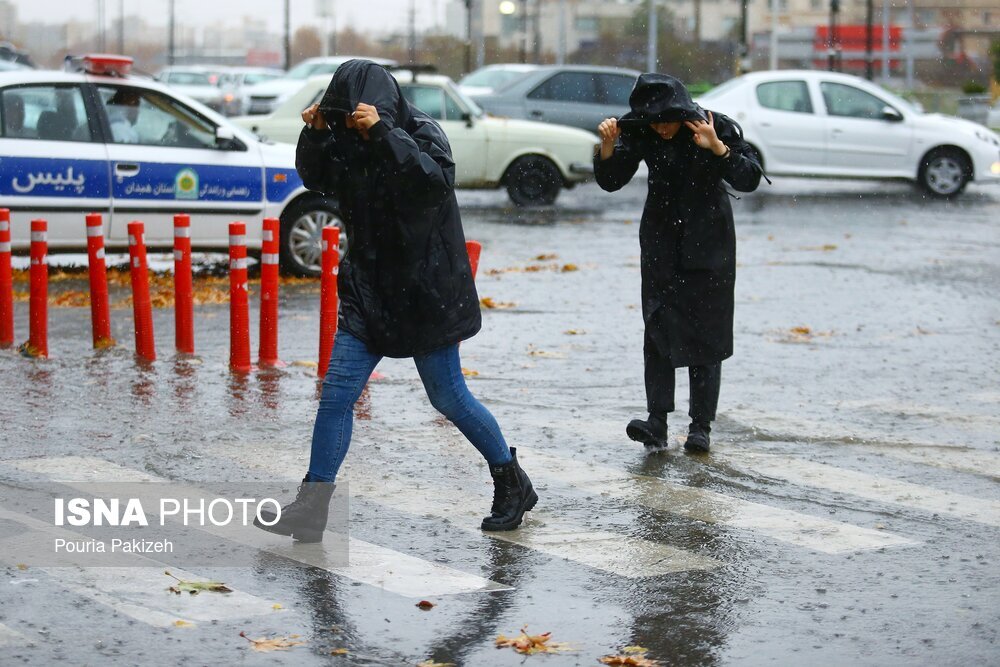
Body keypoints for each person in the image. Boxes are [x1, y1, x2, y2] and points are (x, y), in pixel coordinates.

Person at [254, 60, 537, 542]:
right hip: (370, 289)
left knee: (448, 397)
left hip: (425, 290)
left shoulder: (420, 133)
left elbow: (430, 183)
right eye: (343, 117)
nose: (351, 126)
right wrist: (318, 134)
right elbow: (319, 179)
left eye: (355, 117)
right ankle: (312, 507)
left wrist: (384, 132)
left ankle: (512, 482)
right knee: (337, 394)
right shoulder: (344, 137)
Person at [594, 73, 764, 453]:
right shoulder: (642, 130)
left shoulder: (712, 126)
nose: (662, 129)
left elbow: (749, 179)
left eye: (667, 120)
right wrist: (607, 148)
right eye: (655, 122)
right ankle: (656, 421)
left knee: (708, 332)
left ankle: (700, 426)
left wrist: (718, 148)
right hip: (660, 239)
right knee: (657, 326)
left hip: (710, 241)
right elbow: (612, 180)